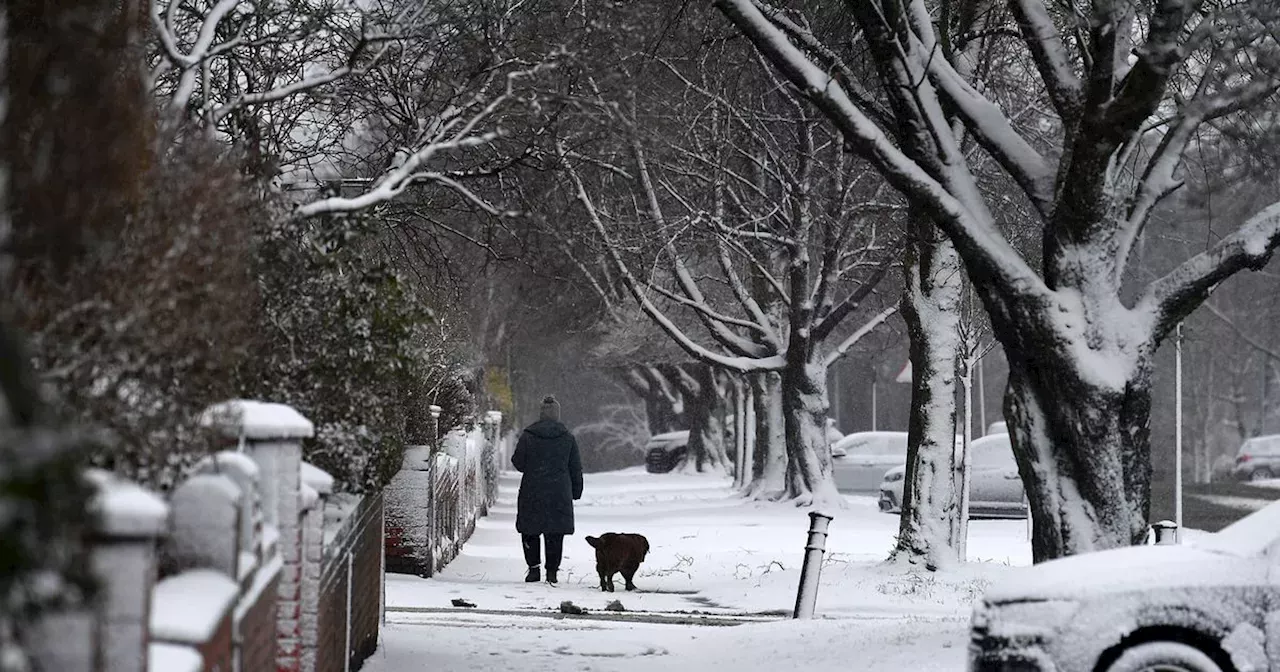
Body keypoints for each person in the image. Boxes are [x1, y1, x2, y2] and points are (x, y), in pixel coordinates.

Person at [511, 395, 583, 584]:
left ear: (541, 415)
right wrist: (576, 490)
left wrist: (534, 467)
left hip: (532, 490)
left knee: (530, 530)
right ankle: (552, 571)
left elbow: (518, 462)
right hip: (559, 491)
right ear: (557, 415)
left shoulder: (528, 436)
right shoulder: (567, 437)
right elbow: (575, 466)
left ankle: (533, 569)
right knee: (555, 532)